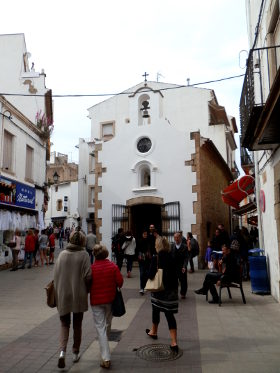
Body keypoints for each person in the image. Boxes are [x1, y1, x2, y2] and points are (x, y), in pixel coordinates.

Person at [54, 229, 92, 369]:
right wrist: (87, 290)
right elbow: (88, 276)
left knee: (64, 325)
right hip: (78, 295)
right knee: (77, 325)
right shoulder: (84, 255)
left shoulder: (62, 255)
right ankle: (75, 352)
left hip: (63, 295)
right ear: (83, 241)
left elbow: (55, 275)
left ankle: (62, 352)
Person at [90, 244, 123, 369]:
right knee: (107, 325)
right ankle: (105, 351)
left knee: (100, 328)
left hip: (96, 301)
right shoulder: (113, 266)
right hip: (110, 300)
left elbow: (87, 285)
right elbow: (120, 282)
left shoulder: (92, 268)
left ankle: (105, 357)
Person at [146, 236, 179, 353]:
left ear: (158, 245)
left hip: (160, 290)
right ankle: (174, 341)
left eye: (156, 244)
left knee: (156, 309)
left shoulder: (156, 258)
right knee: (169, 315)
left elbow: (150, 275)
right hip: (172, 291)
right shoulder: (172, 256)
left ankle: (154, 331)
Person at [171, 232, 188, 299]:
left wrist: (184, 266)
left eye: (177, 237)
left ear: (180, 238)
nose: (176, 239)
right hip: (174, 267)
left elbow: (186, 258)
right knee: (174, 280)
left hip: (181, 266)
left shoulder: (184, 246)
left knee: (183, 281)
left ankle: (183, 293)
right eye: (175, 237)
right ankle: (174, 293)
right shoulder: (172, 246)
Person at [137, 230, 151, 294]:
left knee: (146, 273)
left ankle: (146, 286)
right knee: (142, 273)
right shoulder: (139, 241)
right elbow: (137, 249)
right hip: (141, 259)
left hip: (147, 259)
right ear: (142, 234)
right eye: (144, 234)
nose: (145, 235)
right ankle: (142, 287)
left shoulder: (149, 241)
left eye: (146, 234)